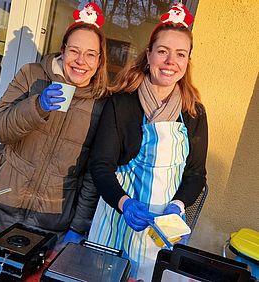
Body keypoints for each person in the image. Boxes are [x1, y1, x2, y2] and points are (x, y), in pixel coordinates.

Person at [88, 3, 208, 280]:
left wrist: (177, 206)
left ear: (187, 62)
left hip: (162, 229)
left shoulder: (194, 113)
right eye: (163, 51)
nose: (170, 62)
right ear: (149, 54)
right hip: (116, 218)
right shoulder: (122, 103)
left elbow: (196, 174)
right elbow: (101, 165)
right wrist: (125, 203)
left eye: (180, 54)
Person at [0, 3, 108, 241]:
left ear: (99, 60)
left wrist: (78, 227)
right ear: (63, 50)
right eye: (74, 51)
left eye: (91, 54)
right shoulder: (32, 75)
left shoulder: (102, 103)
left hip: (49, 223)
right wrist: (38, 105)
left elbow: (92, 174)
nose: (81, 61)